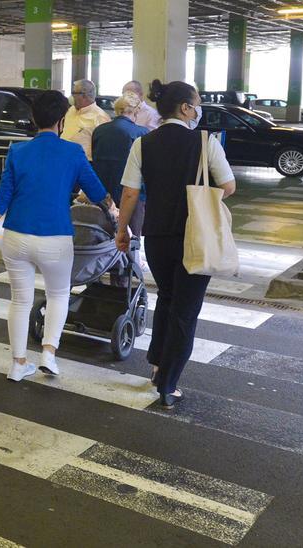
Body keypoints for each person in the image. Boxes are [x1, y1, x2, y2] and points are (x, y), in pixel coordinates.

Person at [0, 90, 117, 382]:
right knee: (58, 294)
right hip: (55, 237)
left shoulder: (18, 151)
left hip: (16, 237)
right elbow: (98, 192)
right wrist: (114, 212)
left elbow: (2, 197)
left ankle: (17, 363)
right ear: (62, 121)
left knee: (20, 301)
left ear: (33, 119)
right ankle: (49, 355)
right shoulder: (73, 152)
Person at [114, 80, 237, 409]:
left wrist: (122, 229)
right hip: (195, 236)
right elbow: (228, 185)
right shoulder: (205, 142)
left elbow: (129, 192)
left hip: (156, 237)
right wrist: (202, 196)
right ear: (185, 108)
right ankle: (168, 384)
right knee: (185, 310)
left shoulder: (143, 143)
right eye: (196, 104)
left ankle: (156, 364)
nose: (198, 110)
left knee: (167, 299)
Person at [92, 96, 150, 238]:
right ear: (136, 111)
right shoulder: (141, 133)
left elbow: (94, 159)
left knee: (103, 238)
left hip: (104, 196)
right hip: (132, 196)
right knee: (131, 242)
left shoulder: (99, 131)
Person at [60, 79, 110, 161]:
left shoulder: (100, 117)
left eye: (74, 93)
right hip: (64, 160)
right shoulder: (71, 110)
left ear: (84, 95)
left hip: (83, 163)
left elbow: (103, 149)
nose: (71, 96)